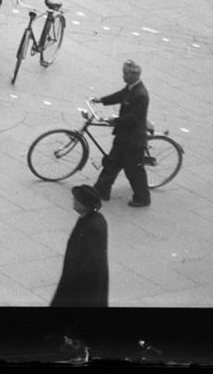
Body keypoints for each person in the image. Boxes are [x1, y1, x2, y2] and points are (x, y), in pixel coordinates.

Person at [90, 61, 153, 207]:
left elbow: (134, 118)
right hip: (124, 136)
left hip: (133, 139)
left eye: (125, 74)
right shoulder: (131, 88)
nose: (123, 76)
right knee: (111, 163)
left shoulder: (141, 95)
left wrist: (115, 120)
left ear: (134, 75)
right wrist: (101, 100)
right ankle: (101, 190)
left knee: (134, 171)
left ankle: (143, 198)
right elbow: (120, 95)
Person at [52, 185, 110, 306]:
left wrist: (74, 276)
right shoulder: (90, 219)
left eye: (77, 200)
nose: (74, 201)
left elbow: (91, 258)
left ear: (85, 204)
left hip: (83, 282)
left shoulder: (93, 226)